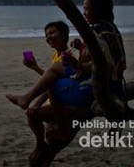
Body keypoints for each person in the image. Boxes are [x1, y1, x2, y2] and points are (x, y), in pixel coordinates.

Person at [6, 0, 126, 111]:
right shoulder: (111, 29)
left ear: (98, 10)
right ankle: (28, 99)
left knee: (54, 77)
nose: (84, 14)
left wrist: (76, 64)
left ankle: (32, 102)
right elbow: (102, 57)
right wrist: (81, 48)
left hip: (100, 89)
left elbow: (103, 66)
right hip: (116, 86)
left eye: (86, 9)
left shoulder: (96, 33)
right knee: (55, 70)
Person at [21, 21, 81, 162]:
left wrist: (36, 103)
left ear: (64, 34)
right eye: (46, 35)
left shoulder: (68, 57)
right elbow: (50, 79)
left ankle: (40, 144)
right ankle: (41, 147)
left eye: (52, 33)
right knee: (48, 152)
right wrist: (35, 67)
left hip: (64, 105)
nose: (48, 37)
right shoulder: (56, 55)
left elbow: (59, 85)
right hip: (55, 102)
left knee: (32, 116)